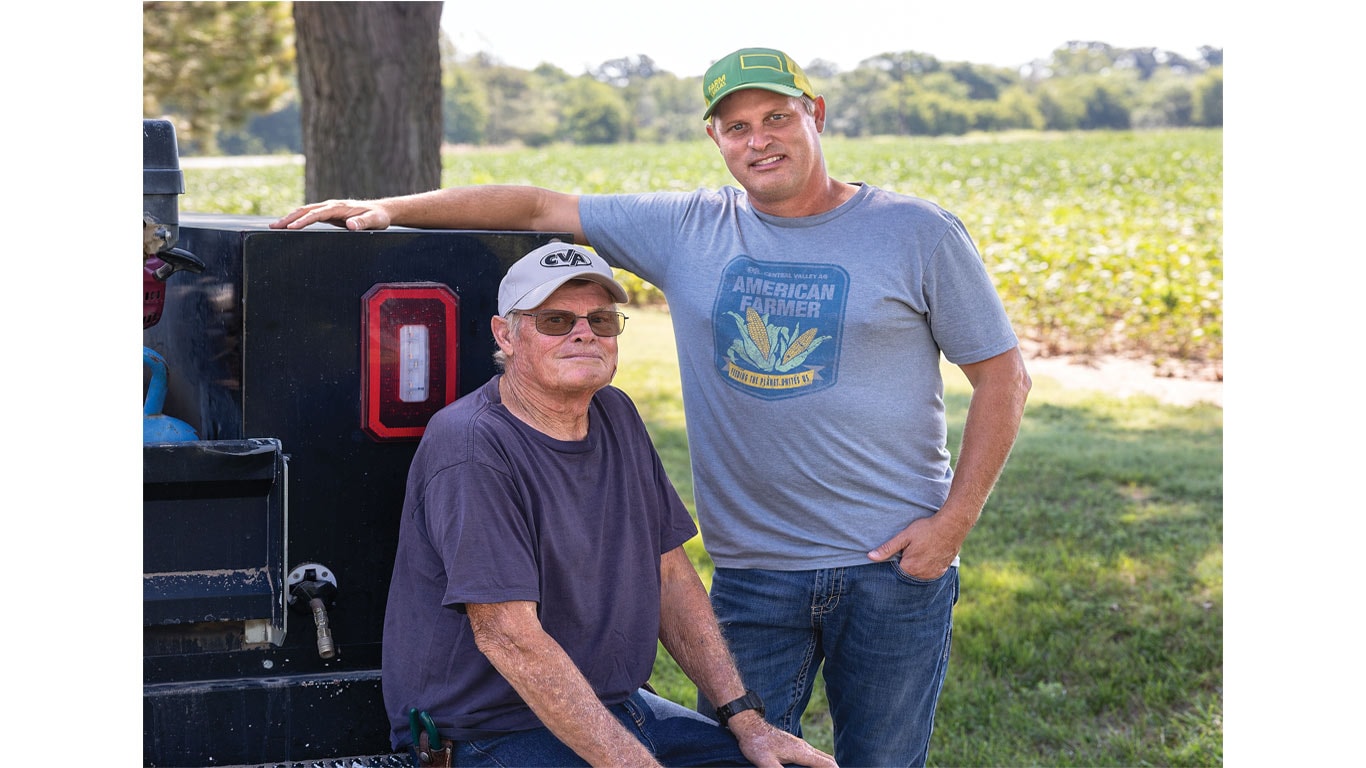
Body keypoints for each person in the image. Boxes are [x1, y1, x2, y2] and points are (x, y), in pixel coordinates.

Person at [276, 46, 1032, 767]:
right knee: (755, 747)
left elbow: (1004, 379)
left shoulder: (916, 232)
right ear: (716, 138)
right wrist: (389, 207)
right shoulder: (691, 228)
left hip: (892, 563)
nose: (758, 139)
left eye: (776, 117)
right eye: (736, 126)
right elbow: (540, 205)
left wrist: (950, 525)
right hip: (753, 569)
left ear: (817, 115)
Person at [379, 242, 837, 768]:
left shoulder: (614, 411)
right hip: (489, 732)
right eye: (555, 320)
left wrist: (745, 720)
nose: (583, 332)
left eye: (600, 319)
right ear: (506, 334)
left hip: (616, 706)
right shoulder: (473, 446)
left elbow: (669, 575)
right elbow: (510, 638)